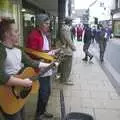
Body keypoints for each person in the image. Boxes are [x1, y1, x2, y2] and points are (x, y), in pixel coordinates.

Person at [0, 17, 50, 120]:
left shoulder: (18, 49)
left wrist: (50, 65)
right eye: (16, 31)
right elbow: (1, 76)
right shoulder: (1, 50)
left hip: (18, 93)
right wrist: (23, 83)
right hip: (7, 95)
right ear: (6, 34)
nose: (18, 33)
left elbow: (32, 62)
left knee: (22, 116)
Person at [26, 14, 59, 120]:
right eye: (46, 23)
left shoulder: (44, 34)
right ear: (39, 24)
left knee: (46, 91)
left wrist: (52, 52)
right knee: (44, 92)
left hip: (46, 67)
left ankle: (42, 111)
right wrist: (49, 53)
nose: (48, 25)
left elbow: (43, 49)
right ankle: (39, 114)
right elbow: (33, 54)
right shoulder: (34, 35)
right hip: (40, 68)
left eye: (49, 23)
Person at [59, 17, 76, 85]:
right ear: (69, 22)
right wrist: (73, 47)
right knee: (67, 66)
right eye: (71, 21)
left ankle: (63, 78)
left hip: (65, 49)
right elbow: (68, 39)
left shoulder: (65, 28)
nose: (72, 22)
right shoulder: (66, 29)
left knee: (65, 66)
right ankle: (65, 80)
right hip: (67, 50)